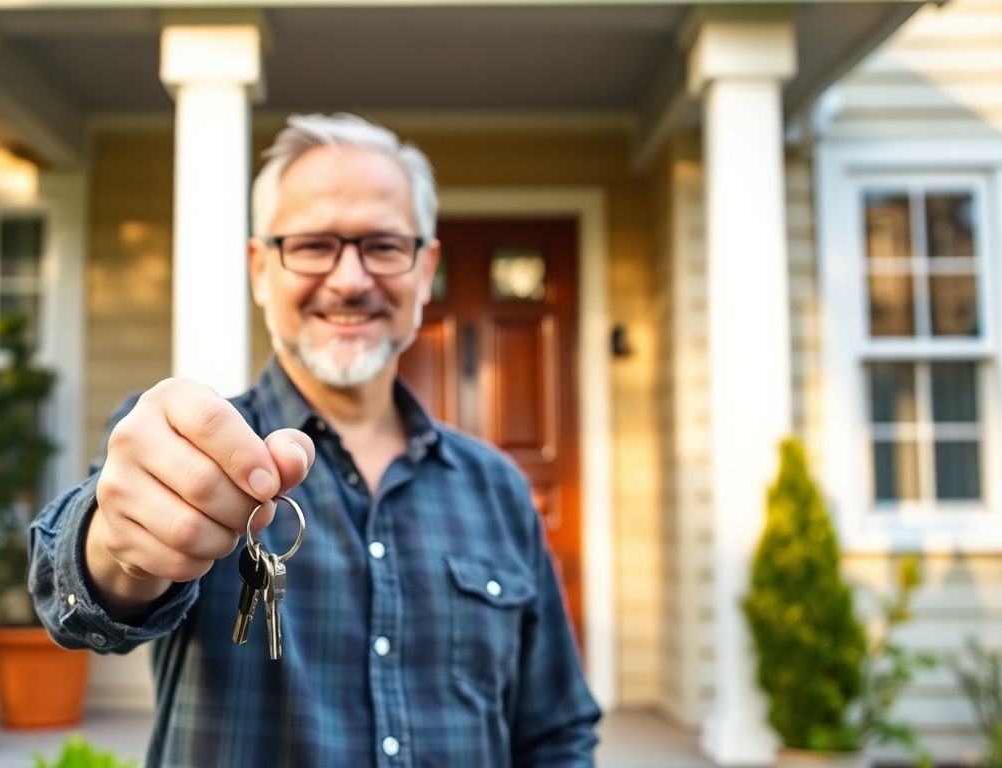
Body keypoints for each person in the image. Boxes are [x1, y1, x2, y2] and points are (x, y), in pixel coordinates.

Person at [29, 113, 601, 767]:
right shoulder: (192, 451)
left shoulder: (497, 487)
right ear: (259, 268)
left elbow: (556, 732)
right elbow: (78, 602)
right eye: (311, 244)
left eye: (384, 245)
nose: (351, 279)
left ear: (424, 267)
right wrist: (117, 548)